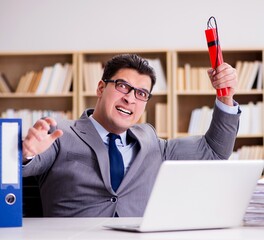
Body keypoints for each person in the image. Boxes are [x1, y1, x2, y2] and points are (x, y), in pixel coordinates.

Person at [22, 53, 240, 217]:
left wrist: (225, 96)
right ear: (100, 88)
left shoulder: (152, 142)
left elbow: (214, 151)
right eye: (122, 86)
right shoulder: (59, 132)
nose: (130, 99)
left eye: (141, 93)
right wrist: (25, 154)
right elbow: (21, 166)